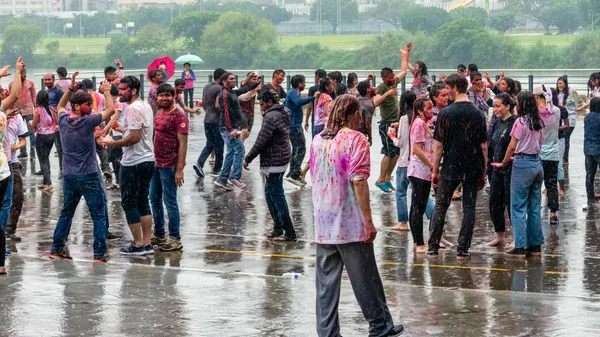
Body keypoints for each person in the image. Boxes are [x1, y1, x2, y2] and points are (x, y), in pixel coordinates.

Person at [310, 94, 405, 337]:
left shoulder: (317, 140)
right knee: (365, 279)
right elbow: (359, 182)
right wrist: (368, 222)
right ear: (352, 115)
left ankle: (328, 332)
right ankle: (380, 325)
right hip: (350, 223)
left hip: (324, 222)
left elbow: (317, 179)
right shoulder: (356, 139)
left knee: (326, 286)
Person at [50, 72, 114, 262]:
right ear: (77, 106)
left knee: (67, 212)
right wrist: (108, 91)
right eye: (88, 104)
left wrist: (70, 89)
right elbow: (110, 109)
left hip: (69, 175)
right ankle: (99, 253)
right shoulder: (87, 121)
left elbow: (61, 105)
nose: (91, 107)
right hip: (89, 175)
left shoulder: (63, 120)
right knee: (99, 215)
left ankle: (57, 247)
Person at [427, 74, 488, 258]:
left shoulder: (446, 113)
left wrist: (435, 170)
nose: (447, 93)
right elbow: (483, 146)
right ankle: (463, 248)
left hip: (451, 166)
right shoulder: (477, 113)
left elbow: (439, 146)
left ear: (454, 87)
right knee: (469, 207)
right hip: (472, 166)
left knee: (441, 206)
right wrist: (483, 172)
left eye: (448, 89)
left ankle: (433, 246)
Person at [104, 76, 155, 256]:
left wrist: (111, 143)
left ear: (133, 91)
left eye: (124, 89)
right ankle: (147, 242)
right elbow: (140, 132)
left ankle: (138, 243)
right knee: (143, 200)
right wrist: (121, 130)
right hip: (148, 158)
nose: (120, 92)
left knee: (129, 202)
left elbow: (133, 138)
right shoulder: (146, 106)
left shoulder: (133, 108)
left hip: (133, 162)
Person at [493, 91, 545, 258]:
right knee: (535, 208)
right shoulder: (538, 122)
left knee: (518, 207)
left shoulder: (520, 122)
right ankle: (535, 245)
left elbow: (511, 146)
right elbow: (539, 143)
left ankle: (520, 246)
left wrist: (503, 162)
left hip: (522, 164)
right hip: (537, 163)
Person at [244, 90, 296, 241]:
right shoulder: (284, 111)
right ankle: (278, 228)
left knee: (277, 196)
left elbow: (261, 140)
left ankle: (290, 232)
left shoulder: (271, 117)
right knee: (269, 193)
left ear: (268, 102)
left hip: (275, 161)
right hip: (282, 156)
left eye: (261, 104)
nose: (260, 107)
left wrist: (248, 158)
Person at [149, 83, 188, 251]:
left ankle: (175, 238)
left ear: (174, 97)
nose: (164, 98)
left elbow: (183, 143)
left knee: (169, 200)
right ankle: (159, 234)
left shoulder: (179, 117)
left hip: (170, 165)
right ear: (156, 97)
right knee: (154, 198)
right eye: (161, 95)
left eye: (168, 95)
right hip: (156, 163)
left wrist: (179, 169)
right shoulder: (158, 113)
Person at [0, 56, 26, 272]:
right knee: (4, 206)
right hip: (2, 169)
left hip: (4, 167)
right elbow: (16, 94)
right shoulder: (1, 114)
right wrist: (17, 72)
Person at [215, 72, 259, 190]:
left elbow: (245, 89)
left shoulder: (232, 92)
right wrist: (230, 130)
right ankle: (235, 177)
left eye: (234, 78)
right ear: (224, 81)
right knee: (240, 150)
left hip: (233, 127)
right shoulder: (224, 95)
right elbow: (225, 113)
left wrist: (256, 83)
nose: (234, 80)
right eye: (231, 79)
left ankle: (222, 178)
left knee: (230, 152)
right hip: (228, 129)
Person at [374, 46, 409, 193]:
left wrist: (404, 55)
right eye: (390, 77)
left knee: (396, 153)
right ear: (384, 78)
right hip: (386, 124)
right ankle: (380, 179)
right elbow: (375, 102)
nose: (393, 78)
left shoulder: (393, 82)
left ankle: (388, 178)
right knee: (388, 152)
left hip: (395, 122)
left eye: (393, 77)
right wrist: (388, 94)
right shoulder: (381, 88)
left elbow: (404, 71)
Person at [487, 93, 516, 247]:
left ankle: (517, 237)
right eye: (494, 106)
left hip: (511, 169)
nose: (496, 109)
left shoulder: (515, 123)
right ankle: (500, 236)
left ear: (508, 106)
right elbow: (491, 145)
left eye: (498, 106)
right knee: (494, 203)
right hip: (495, 168)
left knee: (511, 203)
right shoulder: (497, 123)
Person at [406, 97, 436, 253]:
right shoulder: (418, 124)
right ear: (419, 110)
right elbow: (417, 149)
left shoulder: (425, 123)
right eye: (428, 108)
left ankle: (417, 242)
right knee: (418, 207)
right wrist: (432, 166)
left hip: (423, 171)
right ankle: (419, 243)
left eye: (431, 108)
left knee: (419, 205)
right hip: (419, 170)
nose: (431, 111)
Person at [284, 74, 319, 186]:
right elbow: (298, 102)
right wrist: (313, 97)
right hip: (294, 125)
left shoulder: (294, 92)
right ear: (299, 84)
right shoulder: (293, 92)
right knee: (300, 149)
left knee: (296, 149)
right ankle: (295, 174)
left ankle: (292, 173)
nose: (305, 85)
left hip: (294, 124)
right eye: (304, 83)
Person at [193, 68, 227, 178]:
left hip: (207, 119)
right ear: (222, 78)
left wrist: (208, 112)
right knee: (219, 145)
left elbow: (203, 103)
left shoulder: (206, 87)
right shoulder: (220, 88)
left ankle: (199, 163)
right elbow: (218, 105)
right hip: (217, 120)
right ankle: (217, 169)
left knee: (210, 143)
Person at [534, 84, 560, 224]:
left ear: (538, 96)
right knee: (551, 184)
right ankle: (553, 213)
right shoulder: (556, 110)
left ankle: (535, 211)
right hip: (553, 153)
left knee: (536, 184)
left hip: (537, 153)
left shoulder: (534, 113)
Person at [31, 91, 57, 191]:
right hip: (52, 135)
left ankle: (48, 183)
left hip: (42, 136)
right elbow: (56, 122)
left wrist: (30, 123)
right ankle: (46, 181)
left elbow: (34, 124)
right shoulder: (52, 109)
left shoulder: (39, 110)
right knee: (46, 157)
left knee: (43, 160)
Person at [9, 67, 36, 159]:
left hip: (28, 109)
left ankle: (32, 151)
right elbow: (10, 97)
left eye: (25, 73)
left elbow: (33, 95)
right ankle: (23, 152)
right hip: (17, 110)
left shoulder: (30, 83)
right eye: (22, 73)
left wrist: (36, 107)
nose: (24, 75)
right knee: (19, 132)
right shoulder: (12, 85)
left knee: (31, 131)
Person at [556, 76, 580, 165]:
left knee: (566, 137)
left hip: (570, 119)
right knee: (564, 138)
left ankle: (564, 158)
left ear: (565, 84)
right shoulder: (558, 94)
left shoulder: (571, 92)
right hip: (562, 119)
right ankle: (563, 157)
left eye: (561, 83)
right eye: (558, 84)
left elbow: (578, 101)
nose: (559, 85)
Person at [551, 88, 569, 195]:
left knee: (558, 164)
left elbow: (567, 124)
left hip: (559, 138)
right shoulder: (543, 110)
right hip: (547, 138)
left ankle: (562, 187)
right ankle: (550, 185)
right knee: (547, 163)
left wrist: (558, 128)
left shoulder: (561, 109)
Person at [584, 98, 600, 201]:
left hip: (588, 148)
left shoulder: (587, 117)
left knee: (590, 173)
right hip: (598, 148)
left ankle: (590, 195)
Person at [304, 69, 327, 133]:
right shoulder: (329, 88)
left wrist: (306, 120)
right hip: (326, 120)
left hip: (316, 120)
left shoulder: (312, 89)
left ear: (317, 77)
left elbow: (309, 106)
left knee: (316, 140)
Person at [357, 79, 376, 145]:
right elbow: (368, 124)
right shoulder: (368, 105)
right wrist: (370, 138)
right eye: (372, 86)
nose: (375, 88)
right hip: (361, 133)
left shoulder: (358, 99)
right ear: (368, 90)